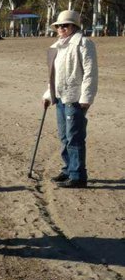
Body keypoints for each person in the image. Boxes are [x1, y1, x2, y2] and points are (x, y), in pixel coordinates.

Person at [42, 10, 98, 188]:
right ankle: (67, 170)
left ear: (74, 26)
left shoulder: (84, 43)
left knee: (75, 137)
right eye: (59, 26)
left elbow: (90, 73)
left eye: (65, 25)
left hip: (75, 98)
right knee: (64, 137)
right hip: (59, 97)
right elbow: (54, 75)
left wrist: (86, 98)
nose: (61, 28)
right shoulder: (56, 46)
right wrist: (48, 95)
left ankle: (78, 176)